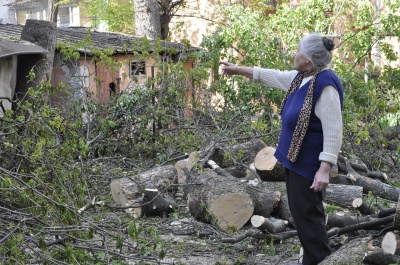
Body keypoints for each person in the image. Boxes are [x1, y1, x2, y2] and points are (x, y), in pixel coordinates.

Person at [219, 33, 344, 265]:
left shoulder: (326, 87)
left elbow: (334, 131)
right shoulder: (302, 78)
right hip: (294, 161)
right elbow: (272, 76)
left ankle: (322, 260)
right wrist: (238, 69)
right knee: (301, 217)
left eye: (298, 51)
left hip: (309, 167)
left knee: (309, 218)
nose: (294, 55)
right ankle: (312, 260)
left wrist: (325, 168)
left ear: (309, 58)